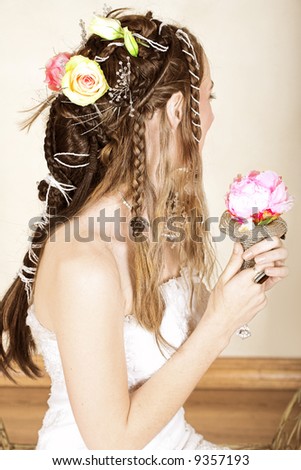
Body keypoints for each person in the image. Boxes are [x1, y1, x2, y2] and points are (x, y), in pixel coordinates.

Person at [0, 9, 288, 450]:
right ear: (177, 110)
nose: (210, 115)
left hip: (175, 446)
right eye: (208, 97)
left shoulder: (158, 225)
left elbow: (185, 342)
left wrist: (236, 288)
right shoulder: (86, 263)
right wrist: (219, 321)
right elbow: (111, 443)